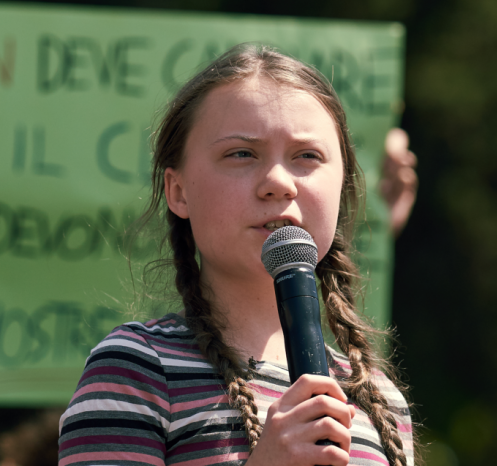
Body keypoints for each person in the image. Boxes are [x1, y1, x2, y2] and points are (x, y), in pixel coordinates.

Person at [58, 44, 416, 466]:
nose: (279, 182)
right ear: (179, 191)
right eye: (241, 154)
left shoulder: (380, 401)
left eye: (307, 156)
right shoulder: (135, 368)